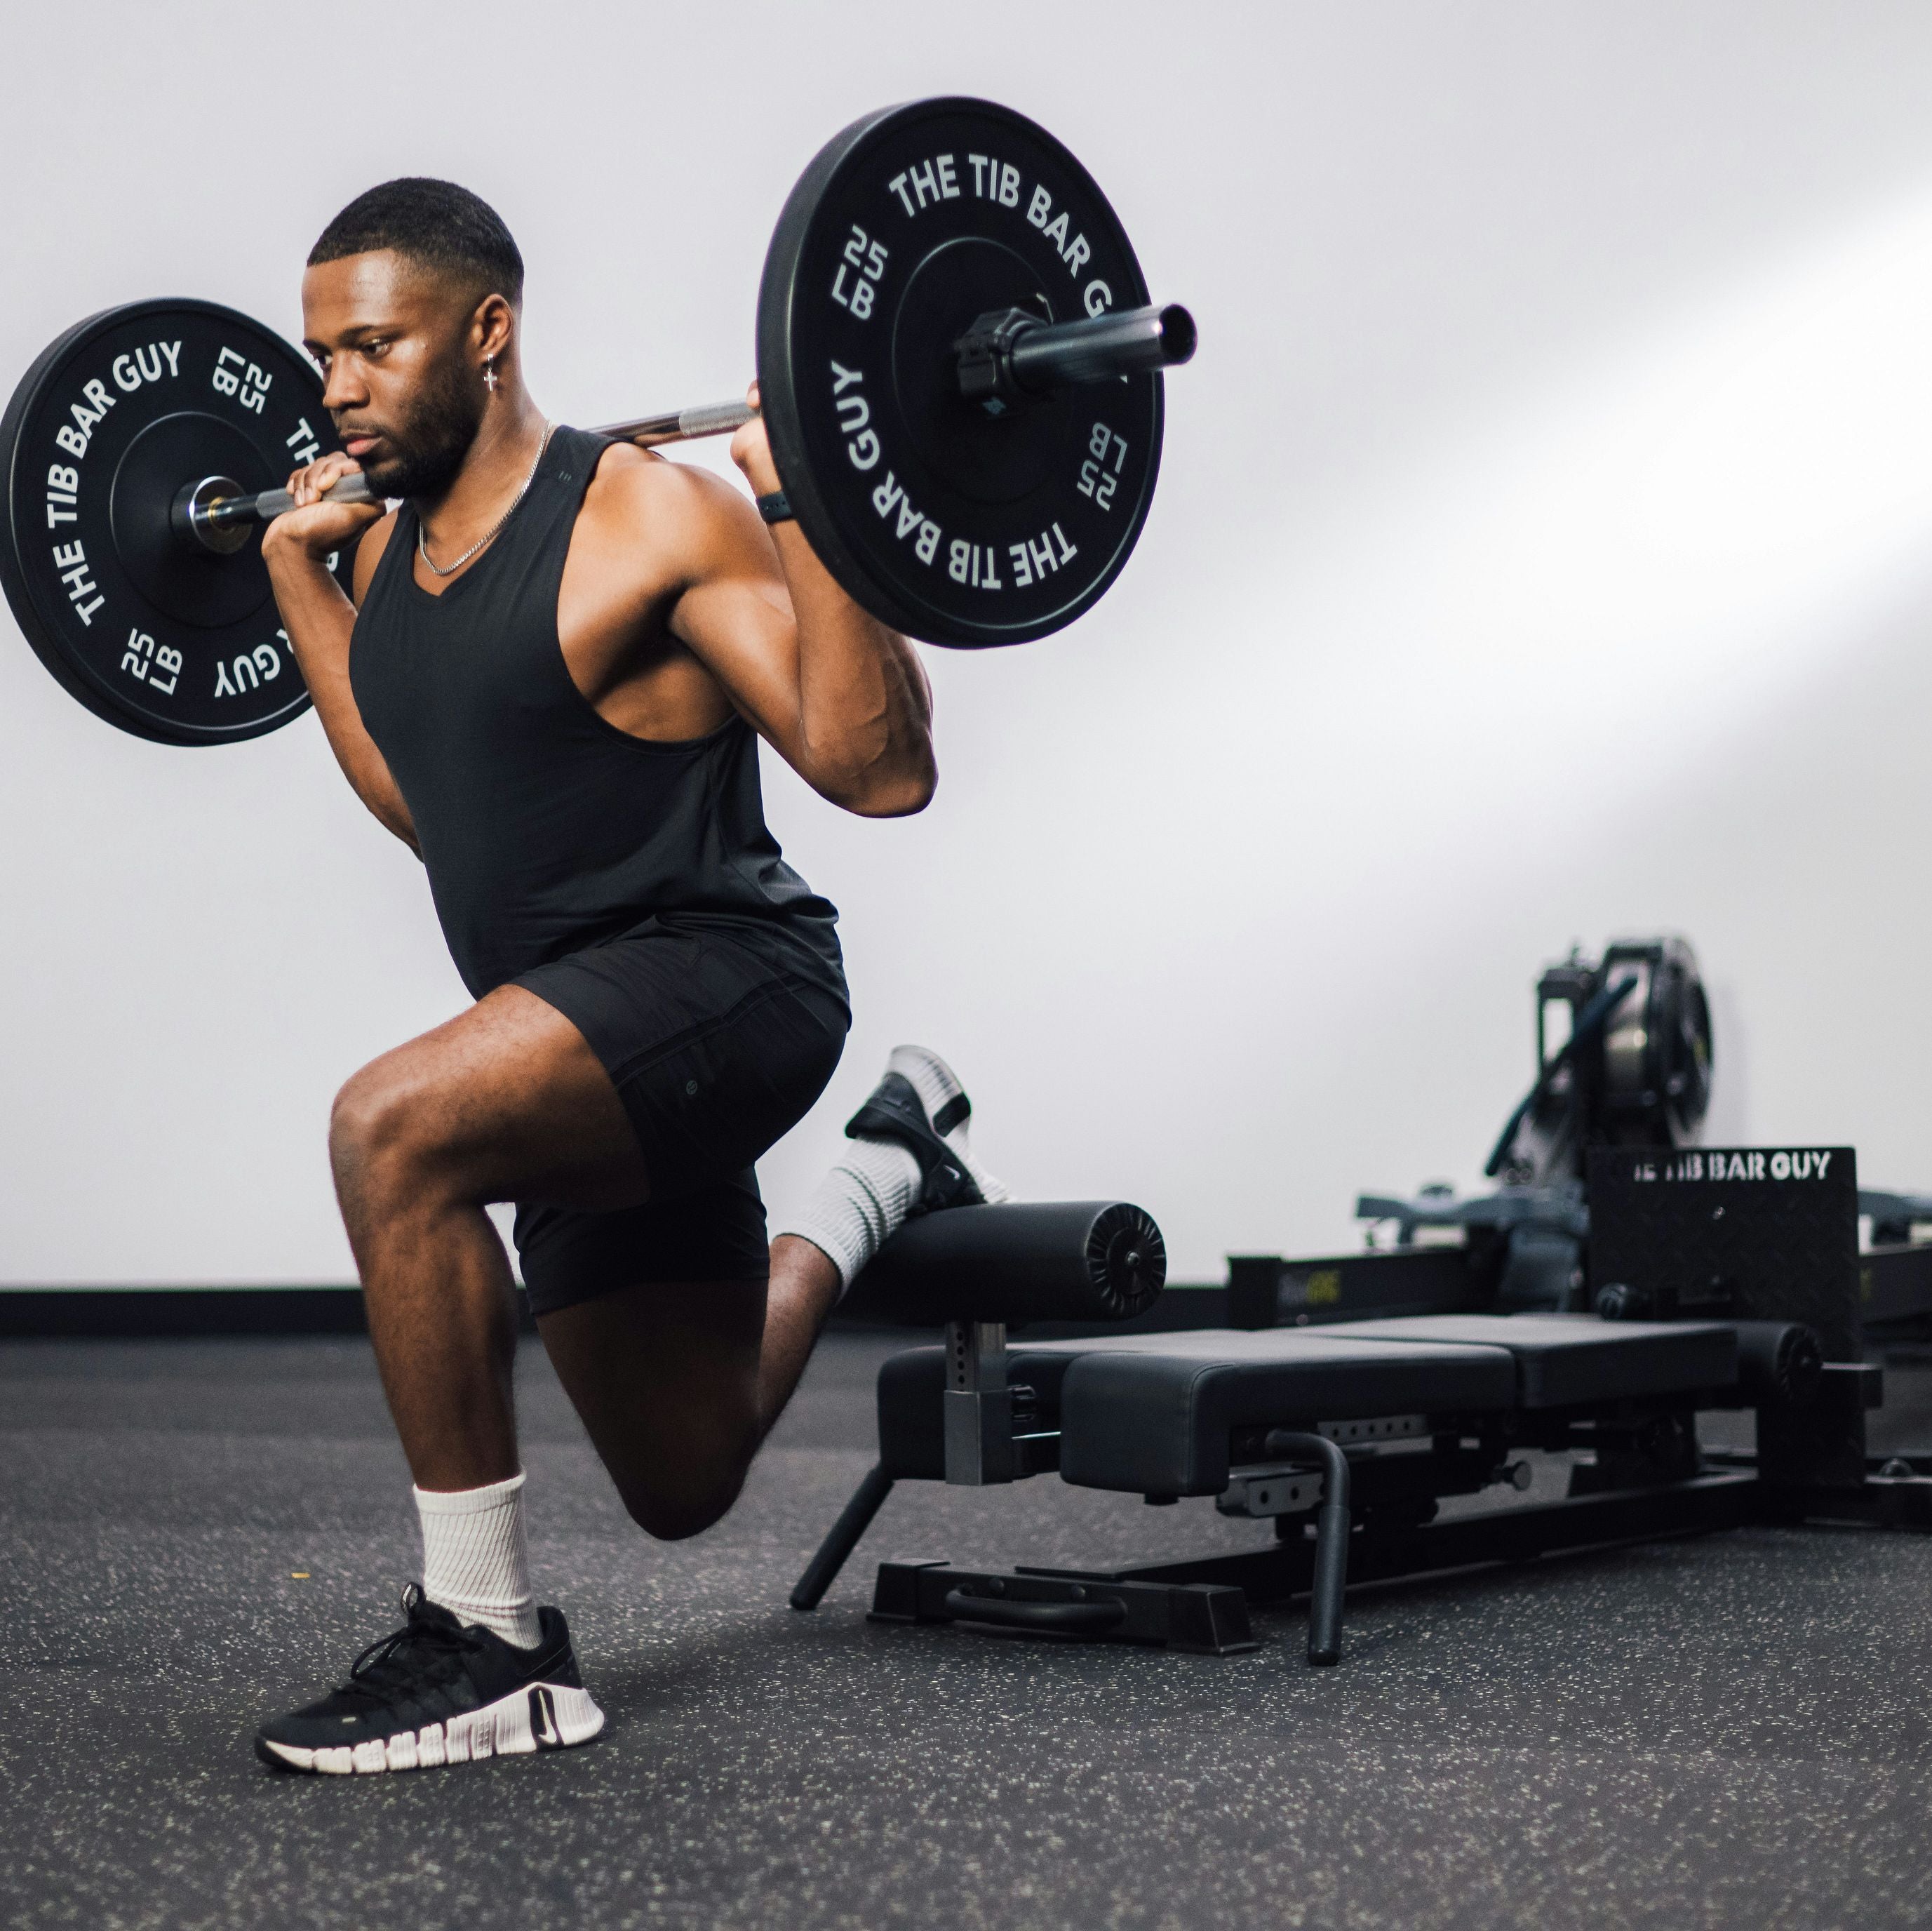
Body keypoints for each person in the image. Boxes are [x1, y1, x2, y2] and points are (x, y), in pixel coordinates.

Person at [250, 177, 1003, 1776]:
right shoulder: (383, 562)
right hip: (574, 1033)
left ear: (488, 332)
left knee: (391, 1129)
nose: (334, 388)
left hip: (725, 981)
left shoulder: (647, 513)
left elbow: (877, 775)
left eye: (373, 346)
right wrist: (295, 588)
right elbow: (431, 802)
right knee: (688, 1469)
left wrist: (815, 511)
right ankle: (879, 1176)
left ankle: (490, 1646)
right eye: (323, 355)